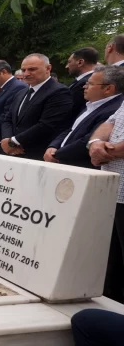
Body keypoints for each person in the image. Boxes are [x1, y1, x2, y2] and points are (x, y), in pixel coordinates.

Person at [46, 65, 124, 169]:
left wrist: (57, 155)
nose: (84, 86)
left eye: (90, 84)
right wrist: (53, 146)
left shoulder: (113, 108)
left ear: (108, 88)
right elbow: (71, 129)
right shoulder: (92, 104)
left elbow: (86, 141)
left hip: (80, 168)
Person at [0, 53, 74, 160]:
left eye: (32, 69)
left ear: (48, 68)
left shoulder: (59, 92)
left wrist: (14, 141)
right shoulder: (21, 93)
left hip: (38, 154)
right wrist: (7, 139)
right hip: (14, 153)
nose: (26, 74)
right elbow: (8, 118)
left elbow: (47, 125)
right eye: (23, 70)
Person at [88, 101, 124, 303]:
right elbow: (110, 122)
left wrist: (107, 152)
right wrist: (95, 143)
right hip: (111, 189)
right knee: (111, 262)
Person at [65, 47, 99, 119]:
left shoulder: (85, 83)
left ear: (80, 62)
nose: (66, 66)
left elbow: (71, 110)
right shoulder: (81, 81)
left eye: (69, 62)